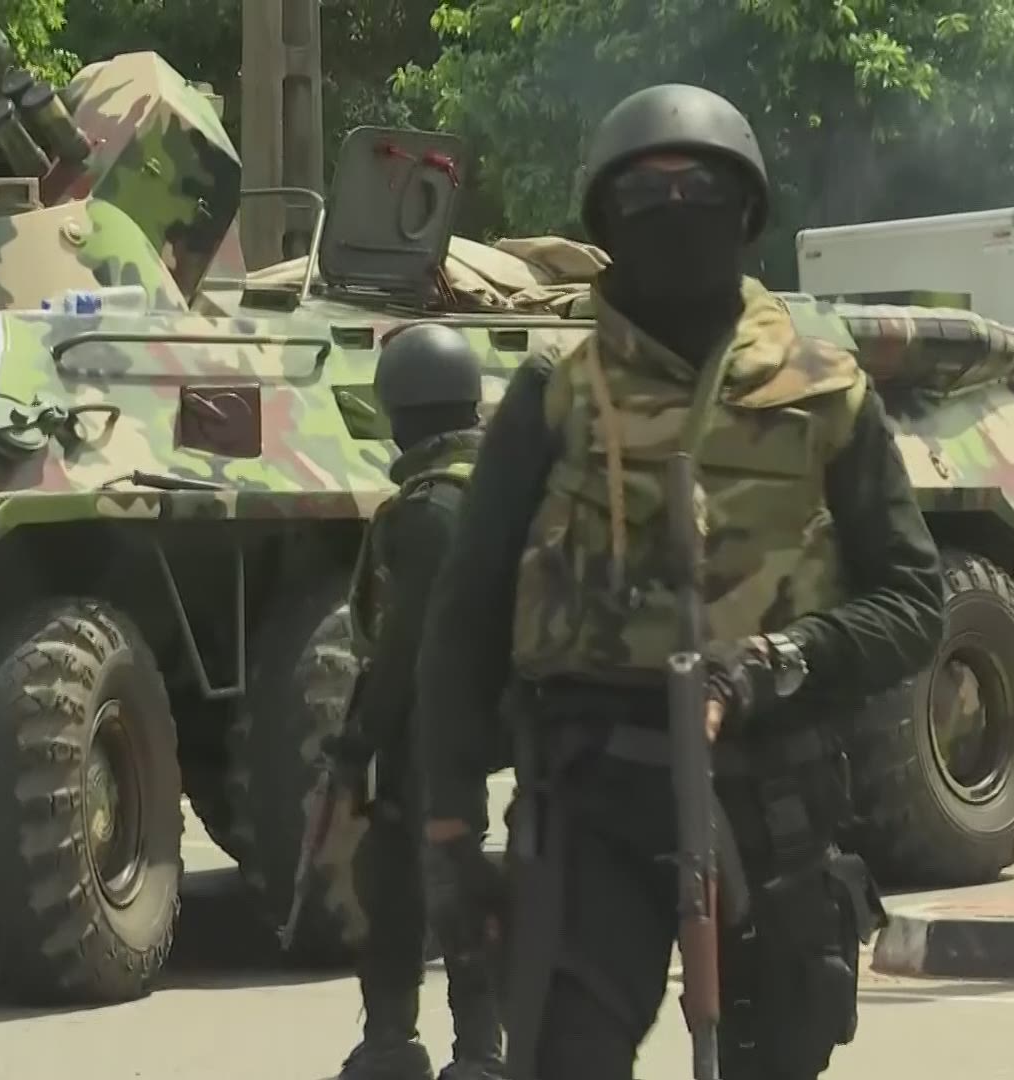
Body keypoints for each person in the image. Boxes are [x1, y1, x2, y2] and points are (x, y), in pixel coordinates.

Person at [411, 83, 949, 1080]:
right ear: (606, 223)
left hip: (773, 792)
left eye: (697, 189)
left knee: (780, 1050)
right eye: (643, 195)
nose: (672, 210)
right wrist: (448, 828)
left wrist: (775, 663)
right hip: (592, 798)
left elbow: (915, 602)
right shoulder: (556, 394)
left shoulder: (825, 393)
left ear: (743, 213)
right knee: (564, 1056)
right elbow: (465, 615)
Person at [328, 323, 507, 1080]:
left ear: (402, 413)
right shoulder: (500, 488)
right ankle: (454, 1049)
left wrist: (359, 739)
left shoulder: (428, 509)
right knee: (438, 875)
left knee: (411, 884)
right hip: (490, 718)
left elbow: (405, 651)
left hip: (430, 731)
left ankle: (425, 1045)